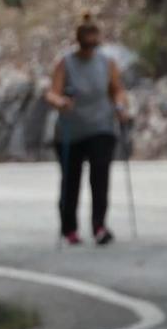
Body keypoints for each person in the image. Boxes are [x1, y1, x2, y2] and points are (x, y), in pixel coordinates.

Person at [46, 14, 131, 245]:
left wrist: (121, 106)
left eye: (94, 33)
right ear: (79, 36)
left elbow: (117, 90)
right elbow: (52, 92)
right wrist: (60, 102)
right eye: (87, 34)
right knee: (70, 180)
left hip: (101, 126)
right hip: (71, 130)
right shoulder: (66, 62)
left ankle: (99, 226)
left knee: (100, 177)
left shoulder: (107, 63)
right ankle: (69, 228)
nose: (91, 38)